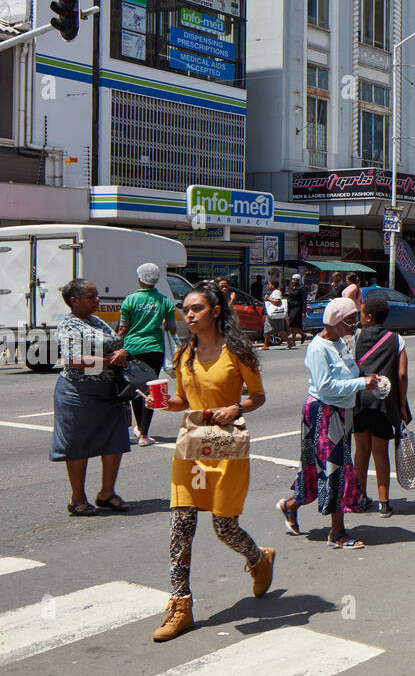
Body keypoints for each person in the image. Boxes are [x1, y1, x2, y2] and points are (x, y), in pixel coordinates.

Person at [148, 283, 274, 641]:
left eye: (196, 309)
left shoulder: (238, 351)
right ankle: (180, 604)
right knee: (180, 526)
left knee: (224, 528)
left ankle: (258, 559)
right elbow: (182, 400)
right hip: (191, 450)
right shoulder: (183, 354)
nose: (188, 315)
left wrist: (236, 407)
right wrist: (160, 403)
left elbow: (258, 397)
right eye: (185, 309)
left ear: (215, 311)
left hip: (226, 447)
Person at [276, 297, 382, 548]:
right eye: (350, 320)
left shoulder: (340, 343)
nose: (354, 325)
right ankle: (337, 533)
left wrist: (368, 380)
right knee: (336, 469)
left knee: (321, 467)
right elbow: (325, 386)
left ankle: (290, 505)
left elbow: (348, 374)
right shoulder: (318, 348)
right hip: (324, 411)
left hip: (341, 411)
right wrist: (360, 384)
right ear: (335, 321)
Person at [51, 278, 131, 516]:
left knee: (115, 441)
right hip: (78, 393)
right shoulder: (68, 326)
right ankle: (77, 498)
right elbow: (76, 362)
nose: (97, 300)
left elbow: (118, 342)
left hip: (109, 391)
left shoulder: (97, 321)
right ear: (74, 301)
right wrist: (110, 360)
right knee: (78, 446)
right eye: (91, 296)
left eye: (97, 295)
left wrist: (123, 351)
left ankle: (107, 493)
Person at [352, 291, 410, 517]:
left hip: (359, 399)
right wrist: (402, 405)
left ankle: (359, 497)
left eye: (362, 311)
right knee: (380, 451)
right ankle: (384, 502)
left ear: (369, 318)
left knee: (361, 449)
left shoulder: (356, 336)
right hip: (383, 404)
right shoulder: (397, 340)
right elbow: (402, 374)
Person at [116, 262, 176, 447]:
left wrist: (118, 346)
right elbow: (172, 328)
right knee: (151, 389)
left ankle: (138, 429)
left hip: (132, 349)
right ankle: (144, 433)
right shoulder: (165, 301)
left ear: (139, 278)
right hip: (155, 349)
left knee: (137, 388)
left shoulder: (130, 300)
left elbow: (122, 328)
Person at [285, 275, 307, 349]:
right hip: (291, 308)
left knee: (293, 323)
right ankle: (302, 335)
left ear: (298, 280)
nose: (293, 281)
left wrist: (304, 311)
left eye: (295, 280)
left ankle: (294, 340)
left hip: (297, 308)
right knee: (293, 325)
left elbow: (304, 300)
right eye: (292, 280)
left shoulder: (301, 289)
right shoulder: (291, 288)